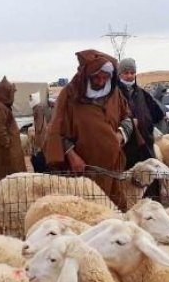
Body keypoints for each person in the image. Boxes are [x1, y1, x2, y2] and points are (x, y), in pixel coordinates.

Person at [45, 49, 134, 210]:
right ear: (87, 75)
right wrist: (71, 155)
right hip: (82, 171)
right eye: (96, 77)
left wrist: (120, 134)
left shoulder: (115, 94)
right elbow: (57, 130)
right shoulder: (70, 95)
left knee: (114, 211)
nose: (101, 82)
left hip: (111, 169)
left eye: (105, 77)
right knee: (86, 212)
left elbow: (127, 118)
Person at [117, 58, 165, 199]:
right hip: (125, 147)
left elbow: (157, 113)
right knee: (127, 182)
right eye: (126, 72)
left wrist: (146, 125)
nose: (129, 76)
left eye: (132, 72)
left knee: (149, 180)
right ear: (120, 74)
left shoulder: (141, 94)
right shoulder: (114, 94)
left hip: (144, 145)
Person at [0, 77, 27, 205]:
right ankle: (3, 202)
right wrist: (8, 144)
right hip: (3, 155)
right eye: (11, 93)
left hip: (3, 153)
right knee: (5, 178)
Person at [29, 91, 51, 173]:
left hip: (41, 136)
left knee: (39, 155)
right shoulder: (39, 108)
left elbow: (39, 126)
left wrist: (36, 136)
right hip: (41, 135)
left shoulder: (38, 109)